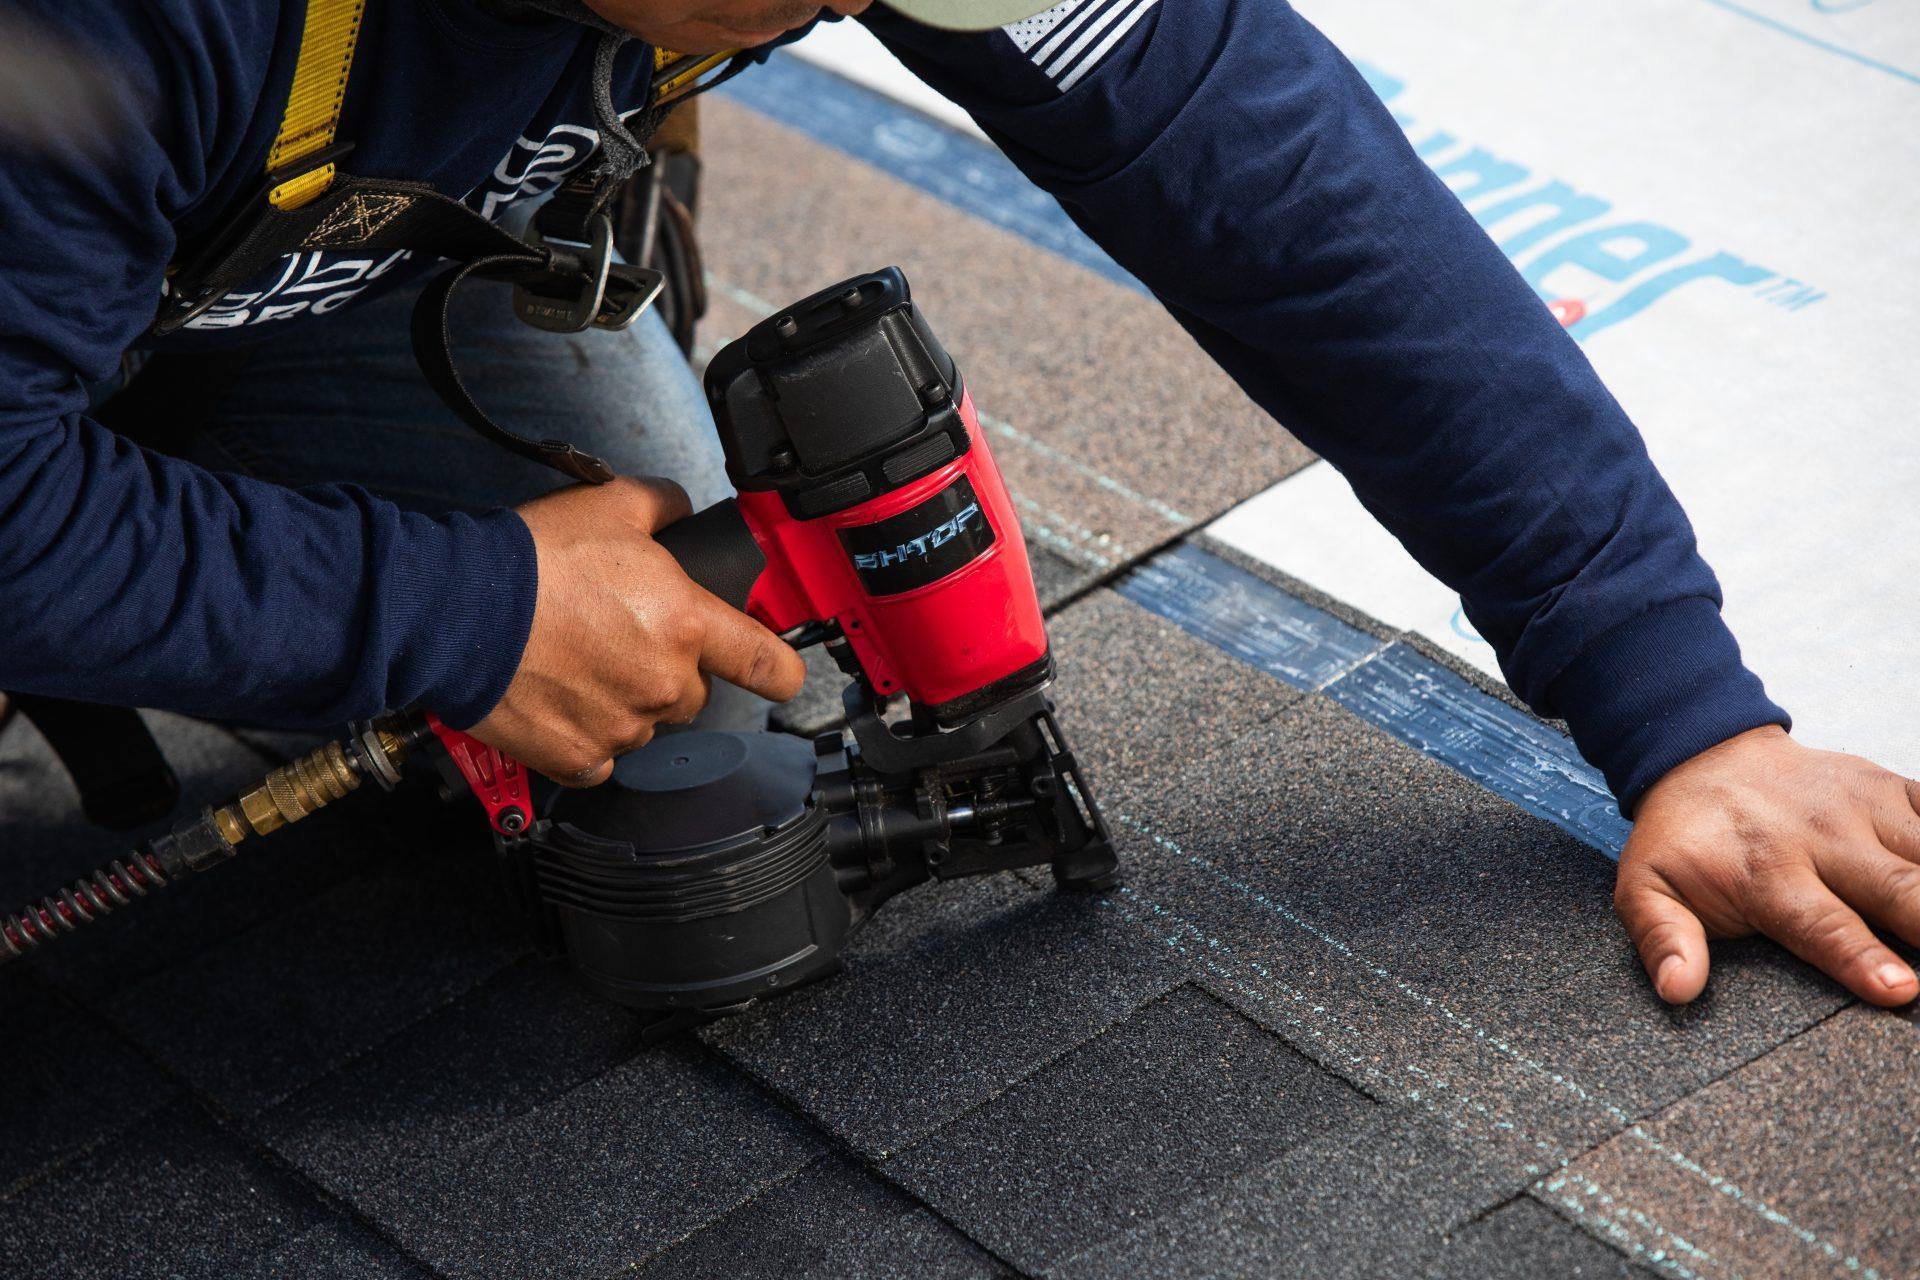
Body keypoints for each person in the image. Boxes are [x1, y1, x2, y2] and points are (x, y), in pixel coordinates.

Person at [2, 0, 1914, 1012]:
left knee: (699, 739)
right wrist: (454, 613)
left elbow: (1264, 181)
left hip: (299, 254)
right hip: (81, 202)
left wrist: (1683, 715)